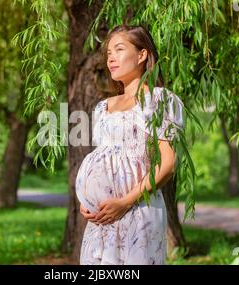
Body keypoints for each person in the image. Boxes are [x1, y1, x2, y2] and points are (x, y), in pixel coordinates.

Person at [75, 24, 185, 265]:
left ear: (142, 54)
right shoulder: (102, 108)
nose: (111, 57)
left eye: (119, 49)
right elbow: (103, 161)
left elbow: (168, 164)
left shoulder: (161, 100)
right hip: (101, 220)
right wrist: (88, 203)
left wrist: (124, 203)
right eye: (108, 53)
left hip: (137, 212)